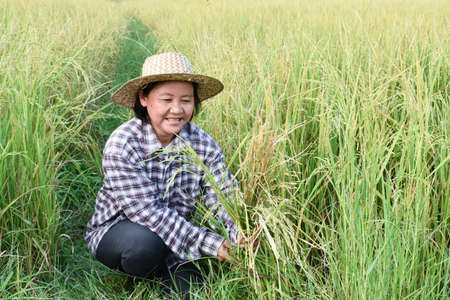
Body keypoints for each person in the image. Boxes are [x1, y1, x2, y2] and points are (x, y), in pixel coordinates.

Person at [86, 52, 243, 299]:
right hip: (123, 231)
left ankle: (168, 270)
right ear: (144, 98)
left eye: (186, 100)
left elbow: (221, 192)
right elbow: (147, 212)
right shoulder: (123, 143)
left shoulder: (203, 144)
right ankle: (148, 270)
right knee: (144, 248)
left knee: (192, 292)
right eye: (166, 99)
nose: (177, 110)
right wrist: (213, 244)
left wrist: (237, 233)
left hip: (178, 237)